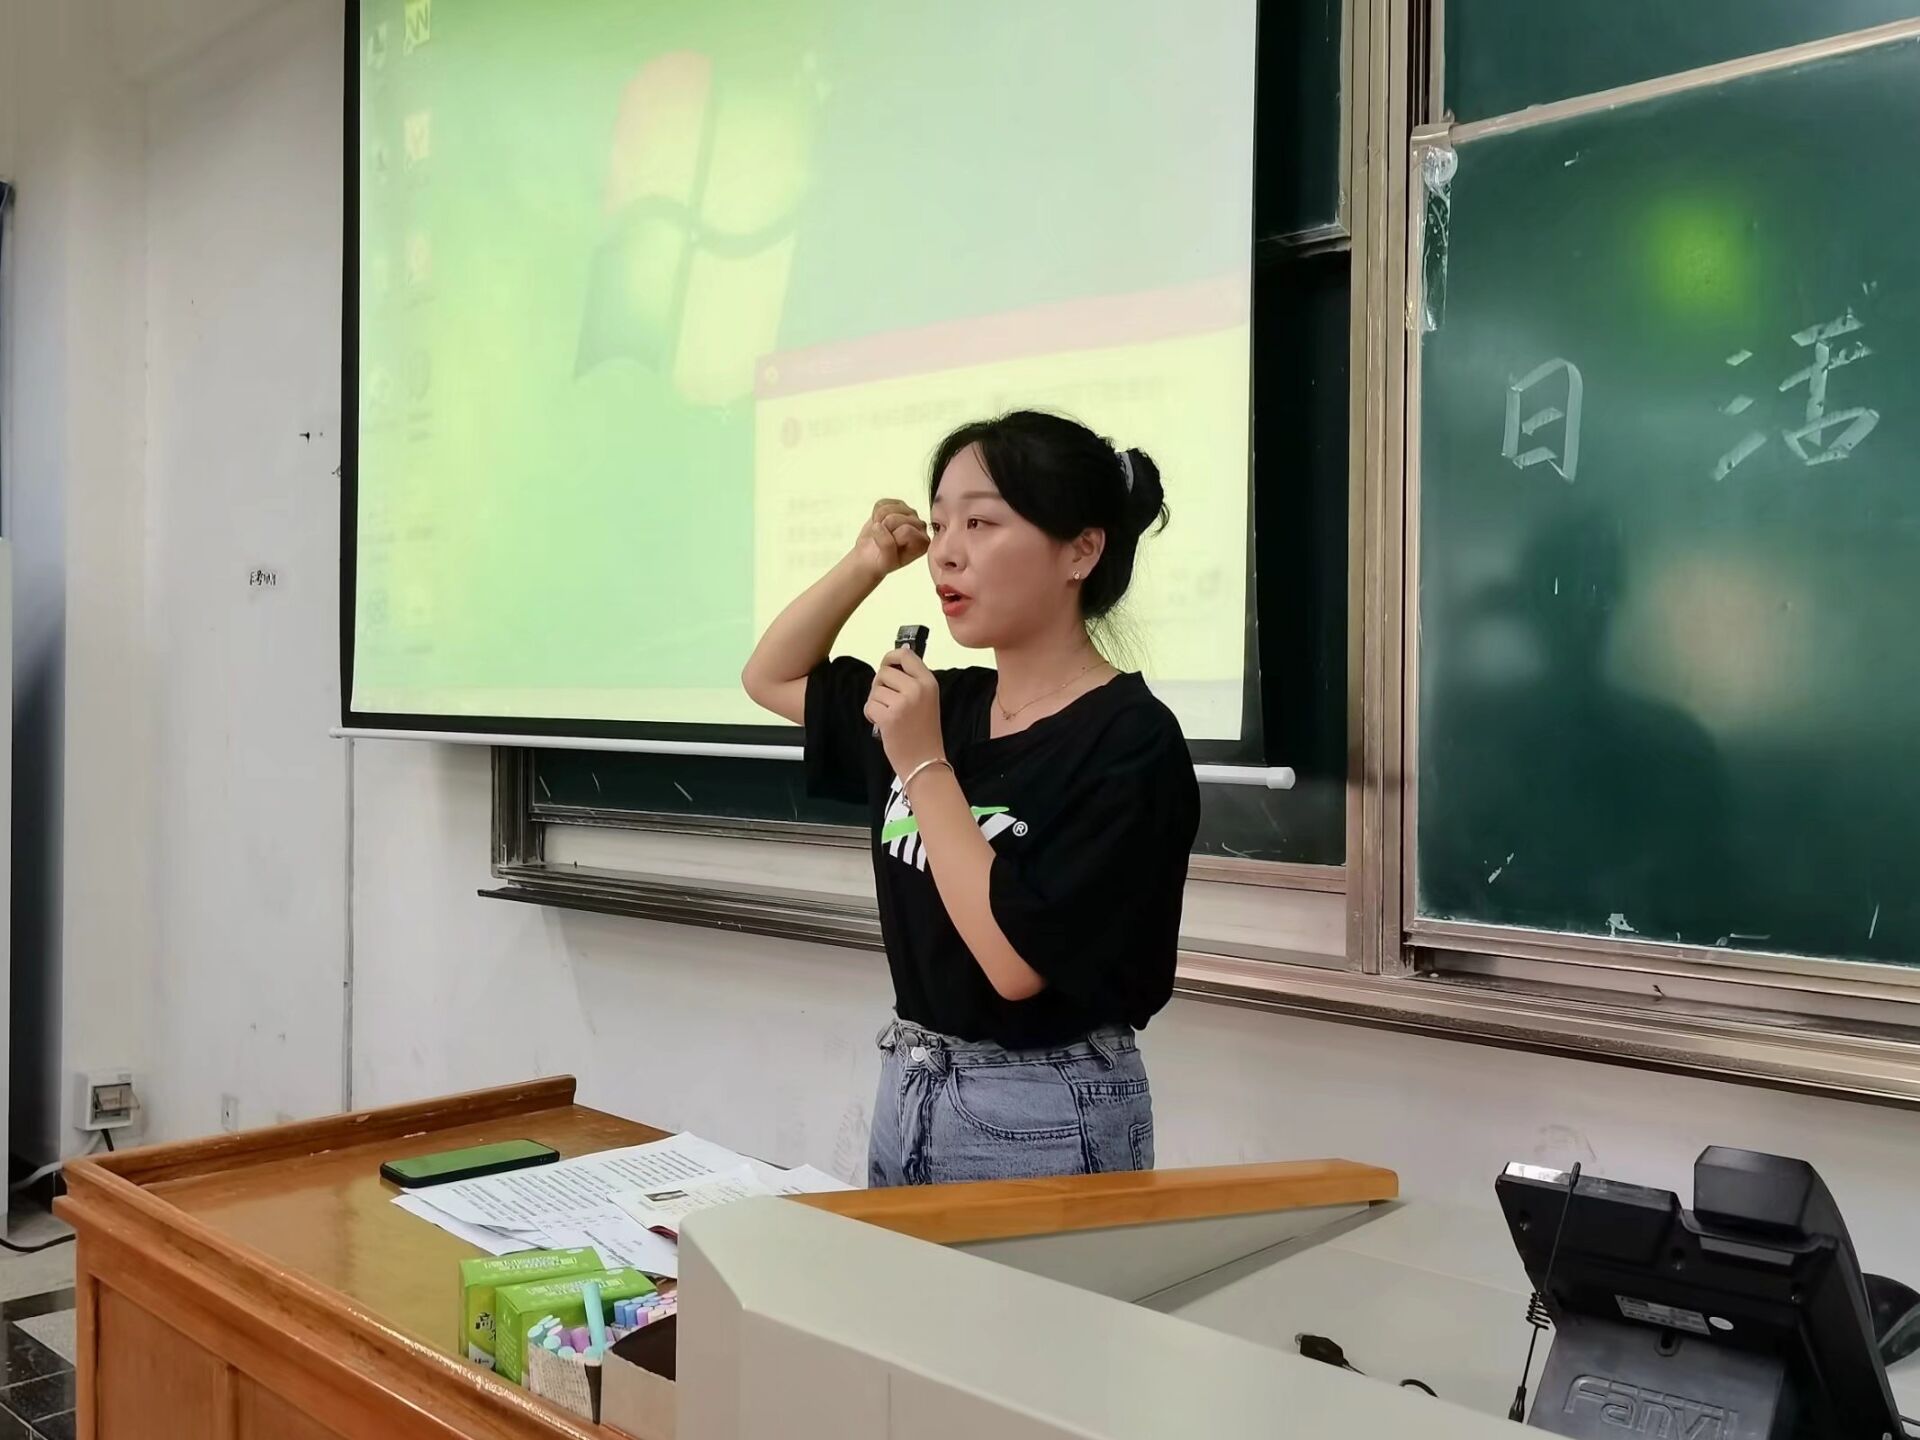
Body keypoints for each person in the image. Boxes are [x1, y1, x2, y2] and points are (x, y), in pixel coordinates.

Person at [742, 410, 1200, 1187]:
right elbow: (771, 677)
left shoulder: (1130, 740)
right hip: (913, 1075)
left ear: (1081, 550)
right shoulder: (946, 704)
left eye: (981, 522)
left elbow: (1016, 965)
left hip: (1047, 1103)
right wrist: (865, 563)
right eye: (940, 522)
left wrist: (923, 765)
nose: (946, 552)